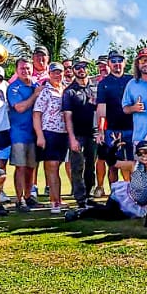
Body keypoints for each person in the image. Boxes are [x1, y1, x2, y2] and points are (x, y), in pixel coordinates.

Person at [64, 142, 147, 222]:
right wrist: (114, 148)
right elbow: (112, 162)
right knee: (110, 214)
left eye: (145, 152)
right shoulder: (134, 165)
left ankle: (89, 205)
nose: (143, 156)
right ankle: (81, 213)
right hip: (122, 197)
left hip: (137, 205)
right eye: (139, 153)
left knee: (114, 215)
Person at [7, 58, 43, 212]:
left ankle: (28, 197)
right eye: (22, 68)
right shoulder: (14, 88)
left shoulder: (36, 85)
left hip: (33, 133)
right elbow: (20, 108)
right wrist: (35, 95)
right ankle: (19, 199)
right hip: (19, 133)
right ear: (17, 70)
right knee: (20, 167)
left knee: (31, 167)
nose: (25, 71)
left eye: (28, 68)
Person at [34, 62, 70, 213]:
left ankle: (58, 199)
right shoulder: (45, 91)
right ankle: (54, 202)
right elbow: (37, 114)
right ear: (49, 74)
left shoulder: (66, 89)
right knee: (52, 167)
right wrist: (40, 136)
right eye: (54, 72)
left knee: (57, 167)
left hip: (64, 133)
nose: (57, 75)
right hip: (49, 132)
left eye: (60, 72)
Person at [95, 51, 133, 191]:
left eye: (120, 60)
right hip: (112, 130)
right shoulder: (103, 83)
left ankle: (134, 194)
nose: (117, 64)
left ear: (124, 62)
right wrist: (101, 131)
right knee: (113, 164)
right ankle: (115, 194)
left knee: (133, 164)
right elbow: (101, 109)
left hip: (132, 128)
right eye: (113, 61)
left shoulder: (132, 80)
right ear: (109, 64)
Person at [62, 60, 98, 206]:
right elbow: (67, 116)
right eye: (77, 67)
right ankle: (80, 198)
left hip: (93, 133)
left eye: (84, 67)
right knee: (77, 167)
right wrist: (72, 138)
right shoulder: (69, 91)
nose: (81, 70)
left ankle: (89, 194)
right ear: (73, 70)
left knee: (91, 166)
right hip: (77, 134)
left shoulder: (95, 88)